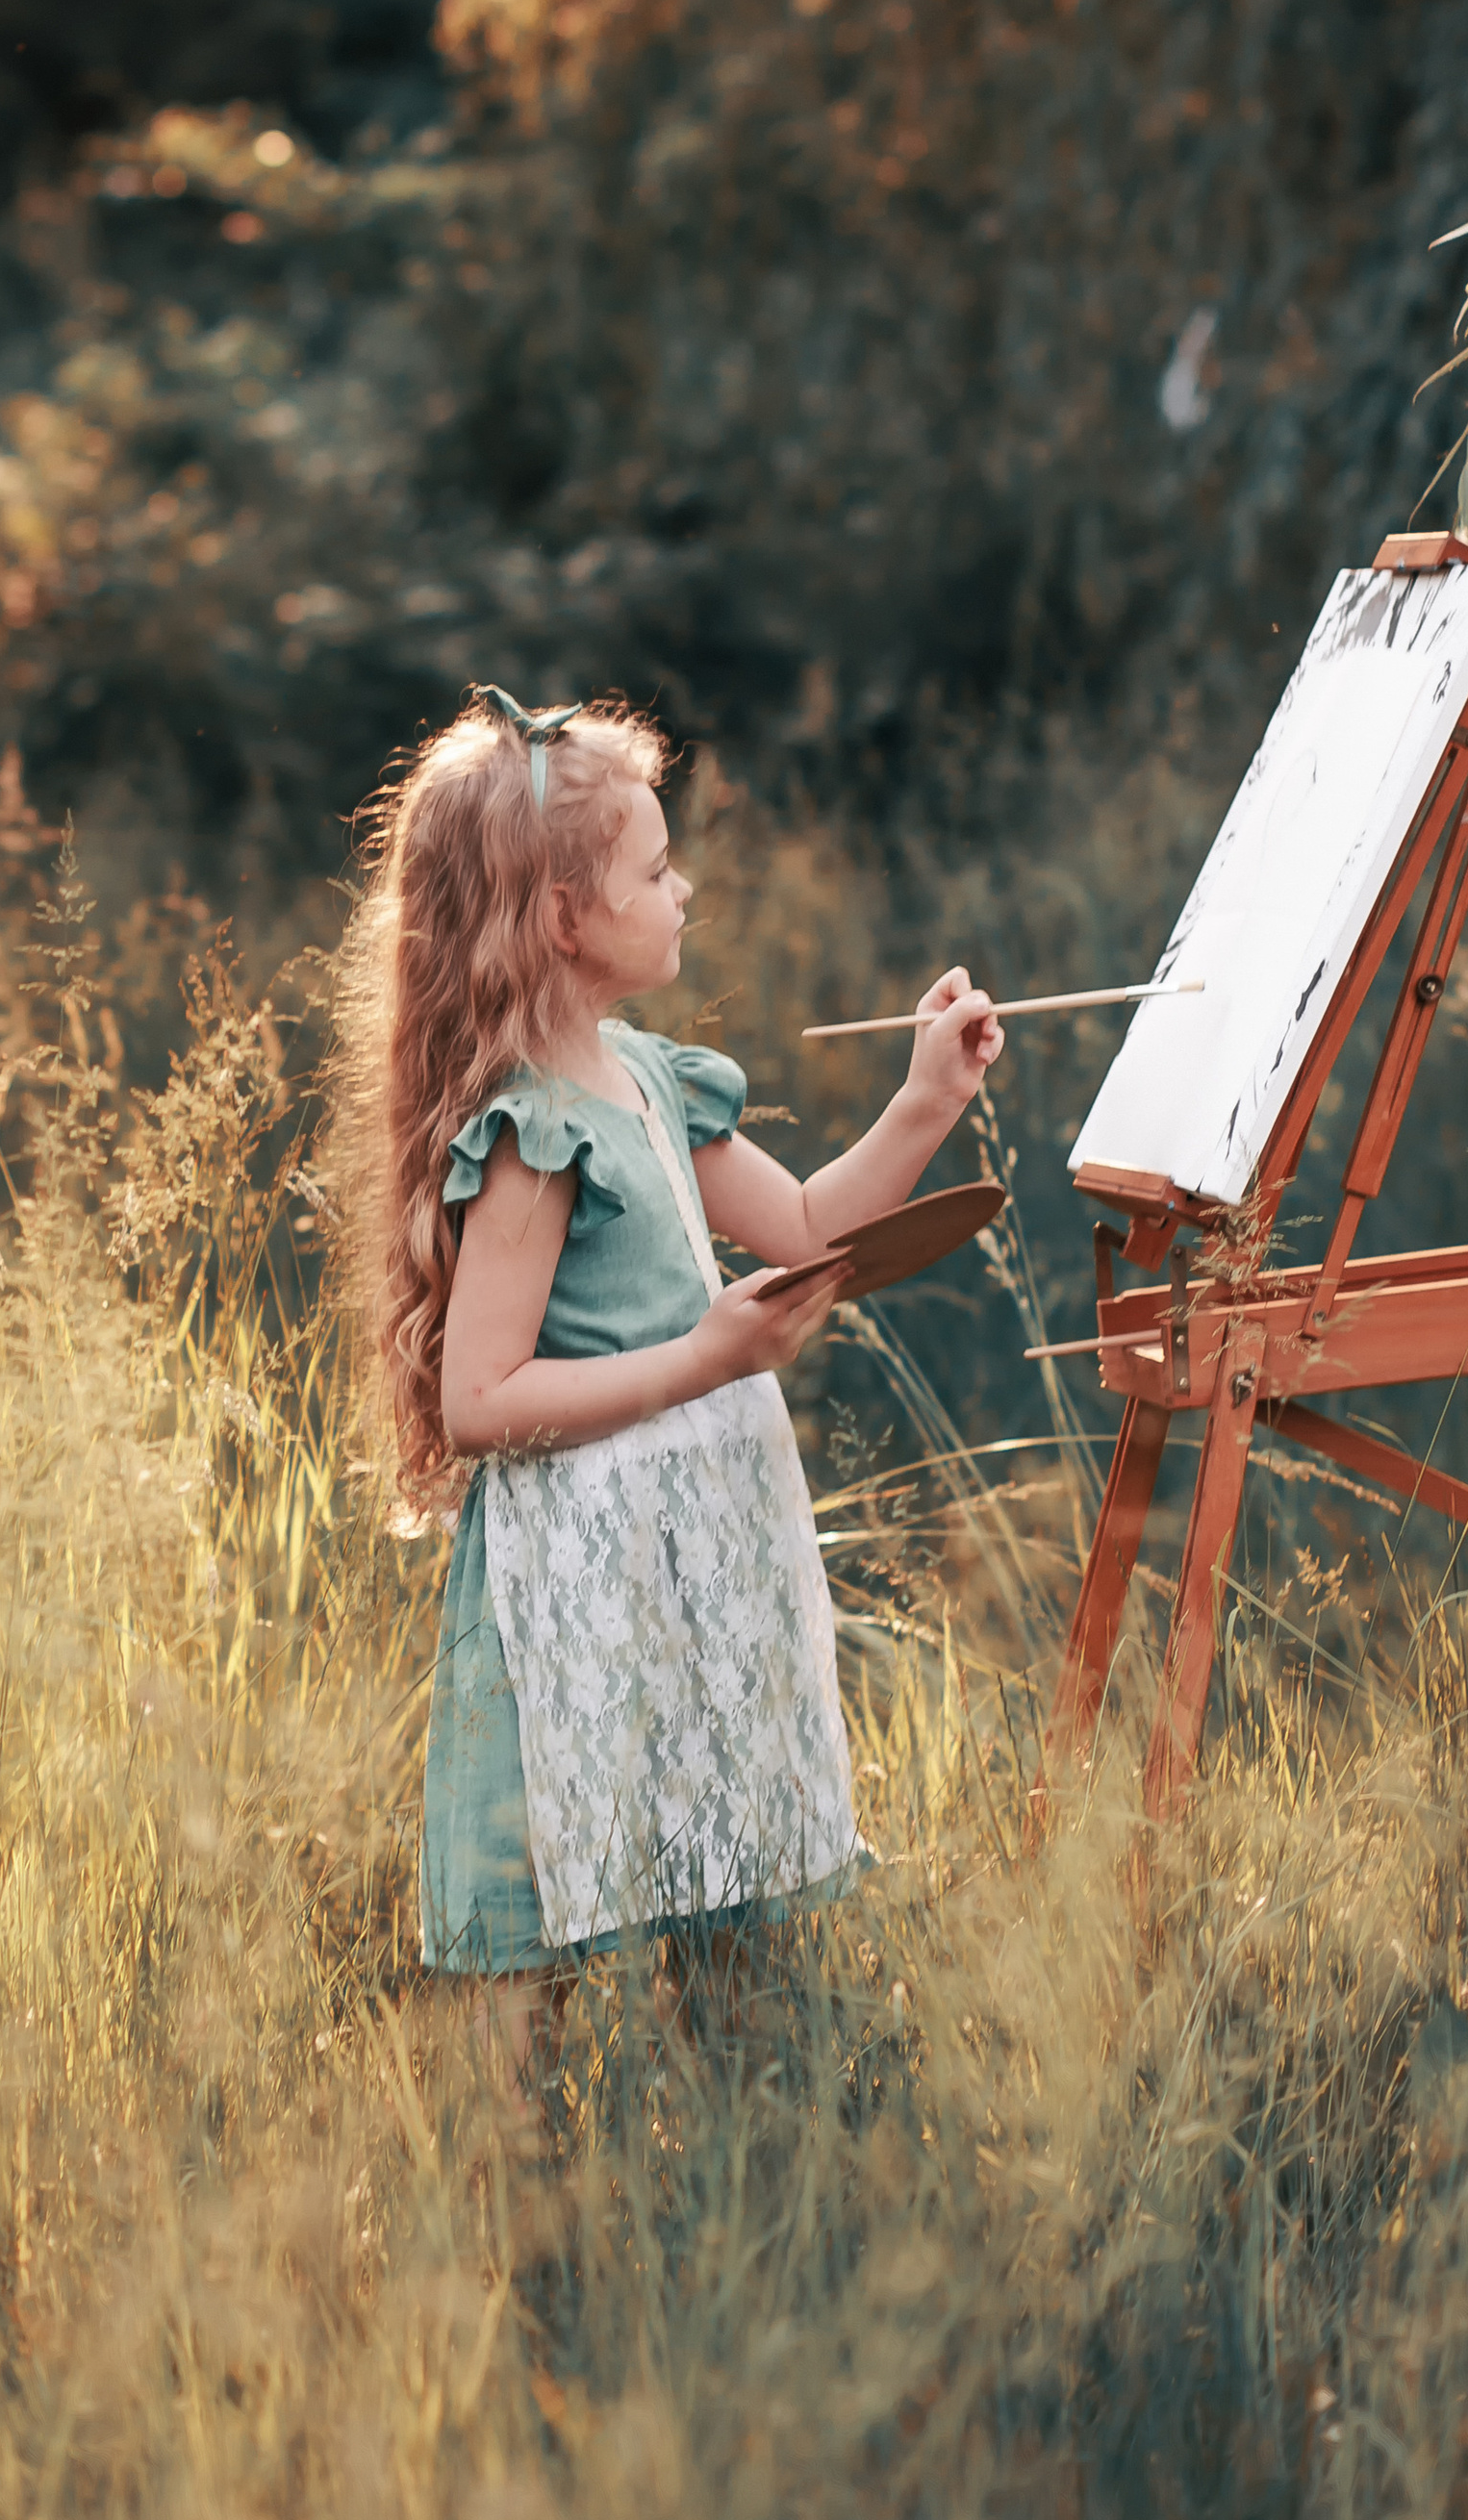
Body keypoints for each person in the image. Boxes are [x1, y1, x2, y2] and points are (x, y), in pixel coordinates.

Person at [331, 684, 1001, 2082]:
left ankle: (743, 2160)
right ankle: (520, 2219)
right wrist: (706, 1355)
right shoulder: (534, 1133)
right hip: (573, 1573)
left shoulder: (648, 1079)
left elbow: (811, 1226)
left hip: (692, 1552)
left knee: (721, 1872)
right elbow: (481, 1402)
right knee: (537, 1926)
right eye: (652, 867)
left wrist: (928, 1098)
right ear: (565, 918)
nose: (681, 885)